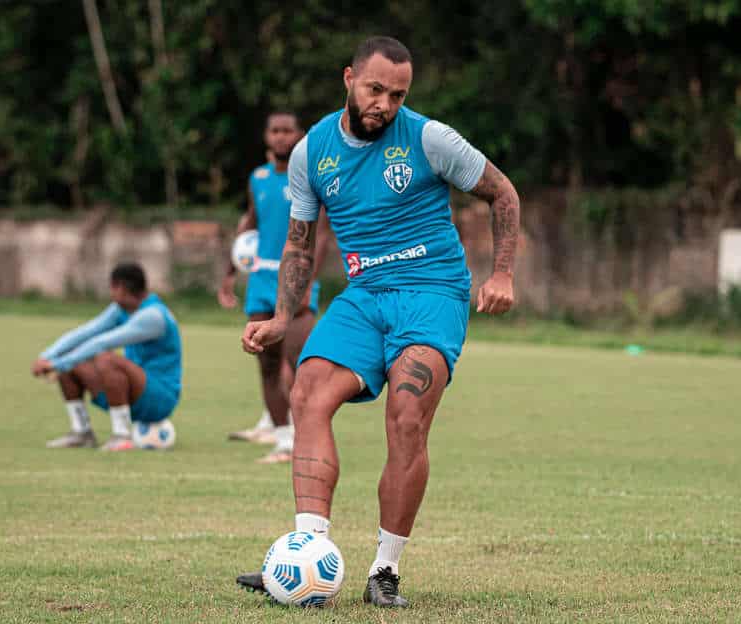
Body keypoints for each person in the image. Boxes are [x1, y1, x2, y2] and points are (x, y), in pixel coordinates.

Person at [235, 36, 520, 607]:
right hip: (365, 295)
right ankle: (309, 552)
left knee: (406, 416)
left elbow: (503, 192)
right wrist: (281, 316)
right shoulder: (311, 151)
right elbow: (299, 243)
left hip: (433, 294)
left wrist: (502, 275)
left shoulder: (429, 138)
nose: (384, 104)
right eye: (375, 89)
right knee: (308, 392)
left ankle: (385, 571)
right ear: (348, 78)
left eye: (397, 94)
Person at [218, 111, 330, 464]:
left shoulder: (312, 176)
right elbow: (248, 224)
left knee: (300, 363)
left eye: (287, 130)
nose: (281, 137)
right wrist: (229, 272)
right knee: (266, 365)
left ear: (299, 134)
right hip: (261, 280)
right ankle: (283, 440)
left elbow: (323, 233)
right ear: (266, 136)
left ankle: (307, 437)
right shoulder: (258, 178)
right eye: (274, 131)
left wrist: (308, 276)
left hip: (296, 278)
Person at [31, 263, 182, 452]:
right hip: (132, 389)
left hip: (160, 397)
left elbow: (102, 343)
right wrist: (47, 356)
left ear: (120, 287)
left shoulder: (153, 316)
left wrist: (56, 364)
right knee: (72, 360)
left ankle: (122, 436)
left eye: (112, 288)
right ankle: (82, 432)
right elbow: (86, 332)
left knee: (105, 359)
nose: (111, 293)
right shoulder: (121, 310)